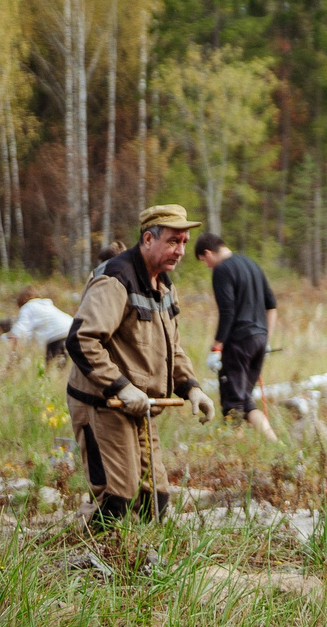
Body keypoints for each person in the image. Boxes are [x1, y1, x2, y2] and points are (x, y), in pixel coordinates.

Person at [65, 205, 214, 529]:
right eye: (173, 241)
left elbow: (172, 347)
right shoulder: (116, 279)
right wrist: (121, 387)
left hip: (140, 407)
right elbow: (81, 340)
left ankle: (143, 557)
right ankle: (79, 554)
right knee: (116, 500)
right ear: (148, 239)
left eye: (184, 243)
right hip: (104, 404)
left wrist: (192, 388)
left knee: (155, 501)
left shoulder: (163, 285)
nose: (181, 251)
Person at [196, 232, 280, 443]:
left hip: (239, 344)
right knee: (245, 401)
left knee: (232, 405)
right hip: (259, 342)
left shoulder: (222, 270)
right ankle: (275, 444)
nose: (207, 266)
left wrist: (217, 347)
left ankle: (232, 452)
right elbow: (271, 305)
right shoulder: (252, 265)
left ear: (208, 253)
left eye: (204, 261)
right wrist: (266, 338)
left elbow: (227, 311)